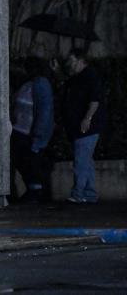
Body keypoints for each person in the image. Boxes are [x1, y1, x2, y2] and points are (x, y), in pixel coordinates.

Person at [61, 48, 106, 204]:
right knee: (86, 160)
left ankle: (78, 193)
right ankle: (89, 193)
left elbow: (95, 100)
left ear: (81, 60)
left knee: (81, 159)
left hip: (87, 127)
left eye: (72, 60)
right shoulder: (78, 77)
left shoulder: (90, 76)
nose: (69, 64)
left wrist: (87, 118)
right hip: (82, 126)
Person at [10, 56, 54, 203]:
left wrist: (38, 135)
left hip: (27, 132)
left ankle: (35, 191)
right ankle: (32, 190)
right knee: (22, 162)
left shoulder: (40, 84)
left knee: (29, 164)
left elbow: (44, 111)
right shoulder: (29, 84)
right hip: (21, 131)